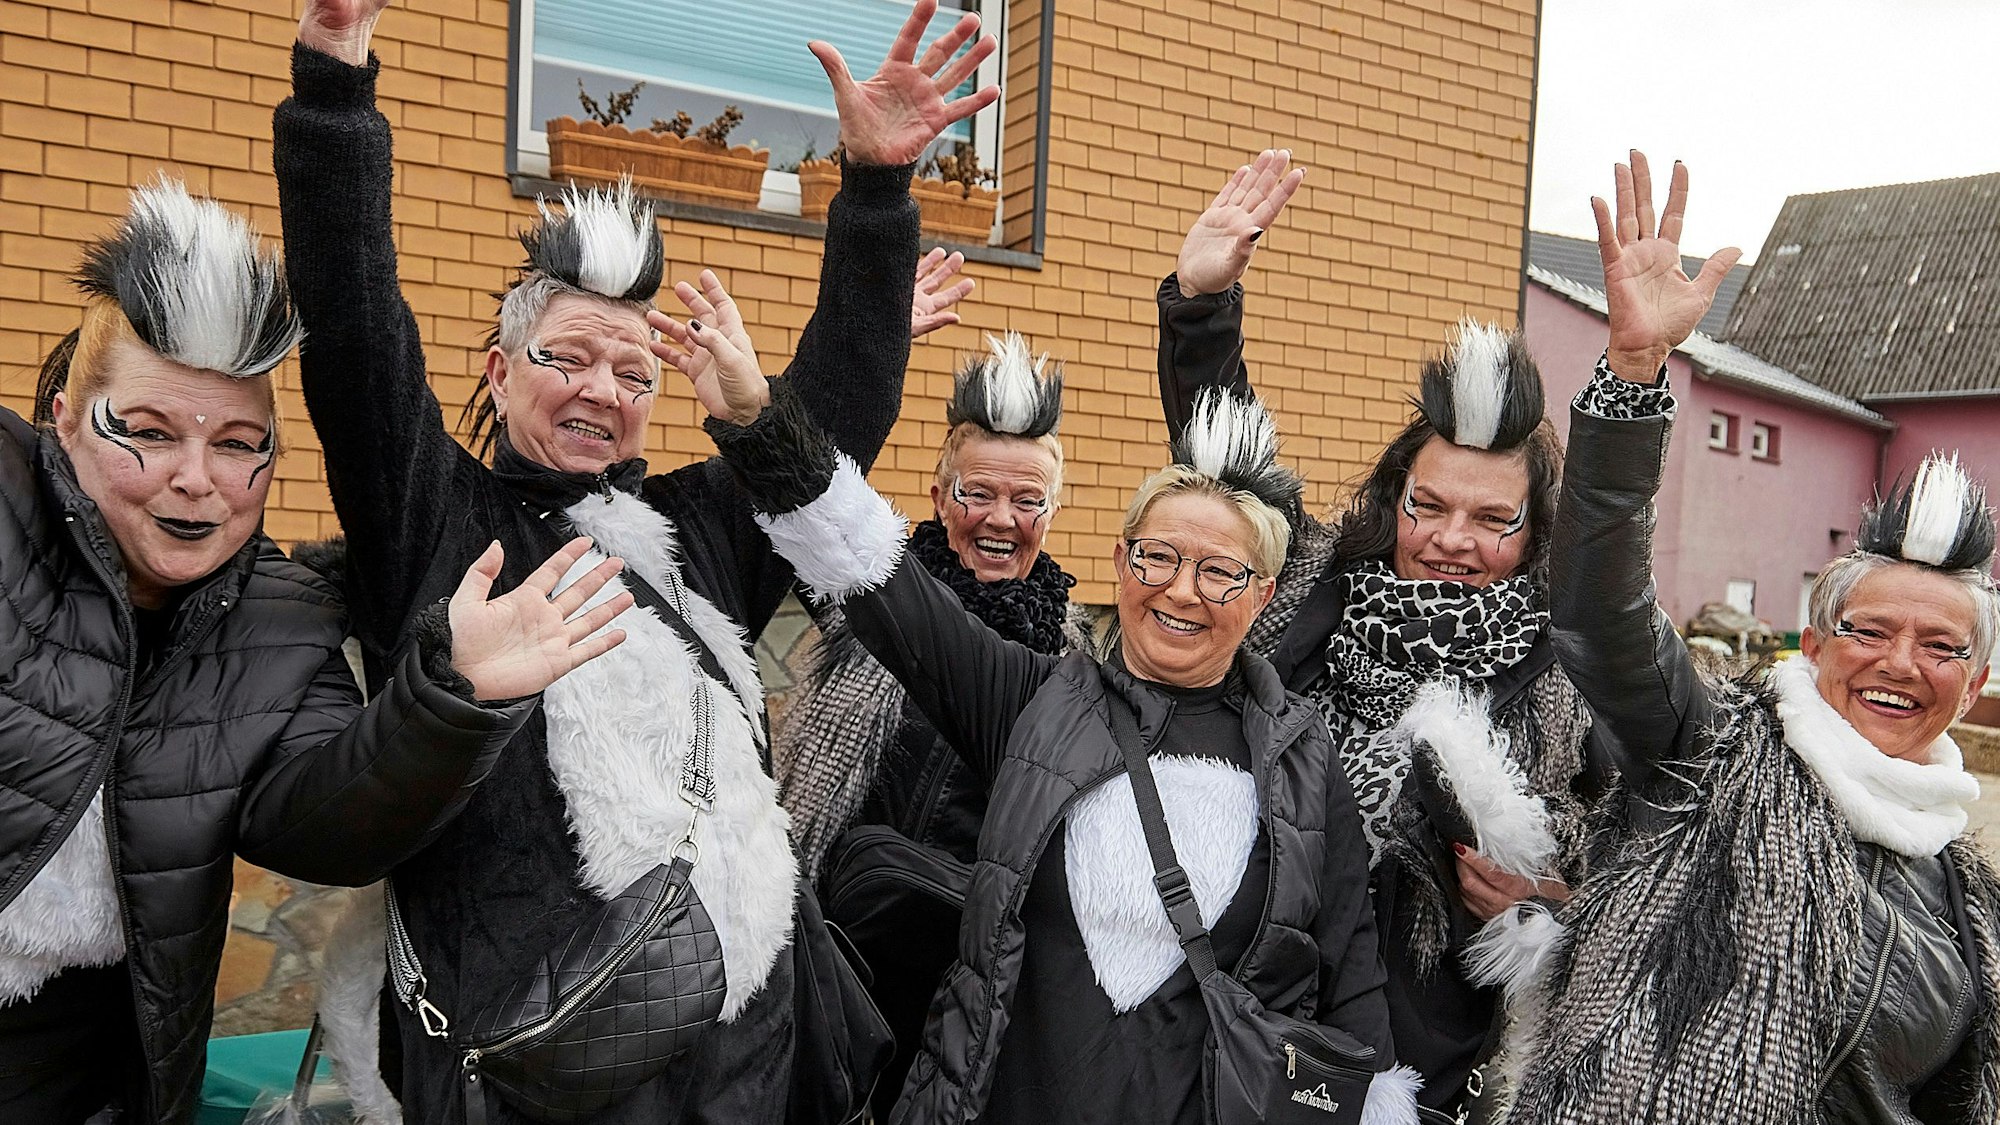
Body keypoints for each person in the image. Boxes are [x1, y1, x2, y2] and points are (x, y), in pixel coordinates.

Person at [276, 0, 998, 1120]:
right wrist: (334, 85)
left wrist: (871, 191)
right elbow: (358, 328)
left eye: (632, 373)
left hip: (741, 1062)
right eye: (565, 358)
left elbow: (824, 425)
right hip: (526, 1062)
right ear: (498, 371)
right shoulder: (433, 511)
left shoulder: (693, 529)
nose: (600, 391)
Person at [654, 280, 1421, 1124]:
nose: (1182, 592)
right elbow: (869, 570)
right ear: (1123, 561)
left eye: (1219, 571)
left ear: (1262, 591)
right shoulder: (1034, 699)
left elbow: (1351, 973)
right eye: (1159, 556)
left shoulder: (1304, 763)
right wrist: (760, 420)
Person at [0, 182, 629, 1125]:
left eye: (240, 443)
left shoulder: (280, 619)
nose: (195, 478)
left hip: (91, 1070)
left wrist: (449, 699)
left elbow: (326, 819)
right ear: (62, 413)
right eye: (149, 431)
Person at [1501, 150, 2000, 1124]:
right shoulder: (1709, 758)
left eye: (1939, 647)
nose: (1900, 663)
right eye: (1869, 629)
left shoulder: (1965, 896)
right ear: (1811, 646)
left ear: (1974, 678)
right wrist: (1634, 378)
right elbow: (1599, 615)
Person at [1157, 150, 1604, 1118]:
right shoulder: (1316, 591)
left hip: (1452, 1068)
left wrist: (1563, 907)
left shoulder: (1564, 675)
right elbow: (1234, 473)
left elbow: (1644, 852)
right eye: (1428, 505)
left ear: (1535, 534)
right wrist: (1201, 303)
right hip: (1261, 1037)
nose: (1450, 540)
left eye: (1492, 520)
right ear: (1393, 496)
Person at [773, 331, 1084, 1118]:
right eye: (977, 492)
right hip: (849, 976)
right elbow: (802, 491)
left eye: (1027, 500)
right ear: (941, 493)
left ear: (1055, 509)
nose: (1000, 520)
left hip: (982, 1008)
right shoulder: (865, 611)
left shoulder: (1079, 668)